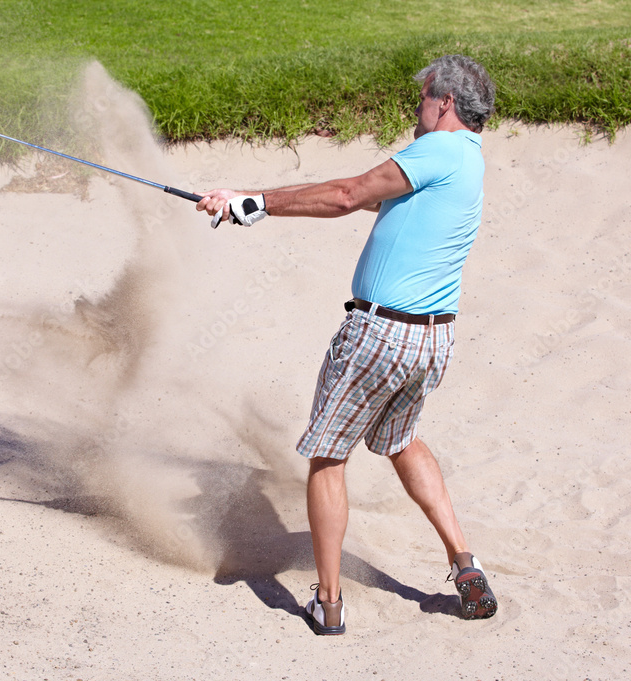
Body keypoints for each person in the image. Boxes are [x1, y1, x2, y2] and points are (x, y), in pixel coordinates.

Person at [197, 54, 498, 635]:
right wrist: (248, 205)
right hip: (430, 342)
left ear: (446, 104)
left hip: (379, 335)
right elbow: (363, 197)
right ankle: (465, 563)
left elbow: (344, 194)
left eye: (423, 98)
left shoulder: (438, 149)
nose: (416, 109)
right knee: (403, 441)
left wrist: (250, 201)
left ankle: (328, 602)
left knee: (328, 458)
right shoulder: (468, 162)